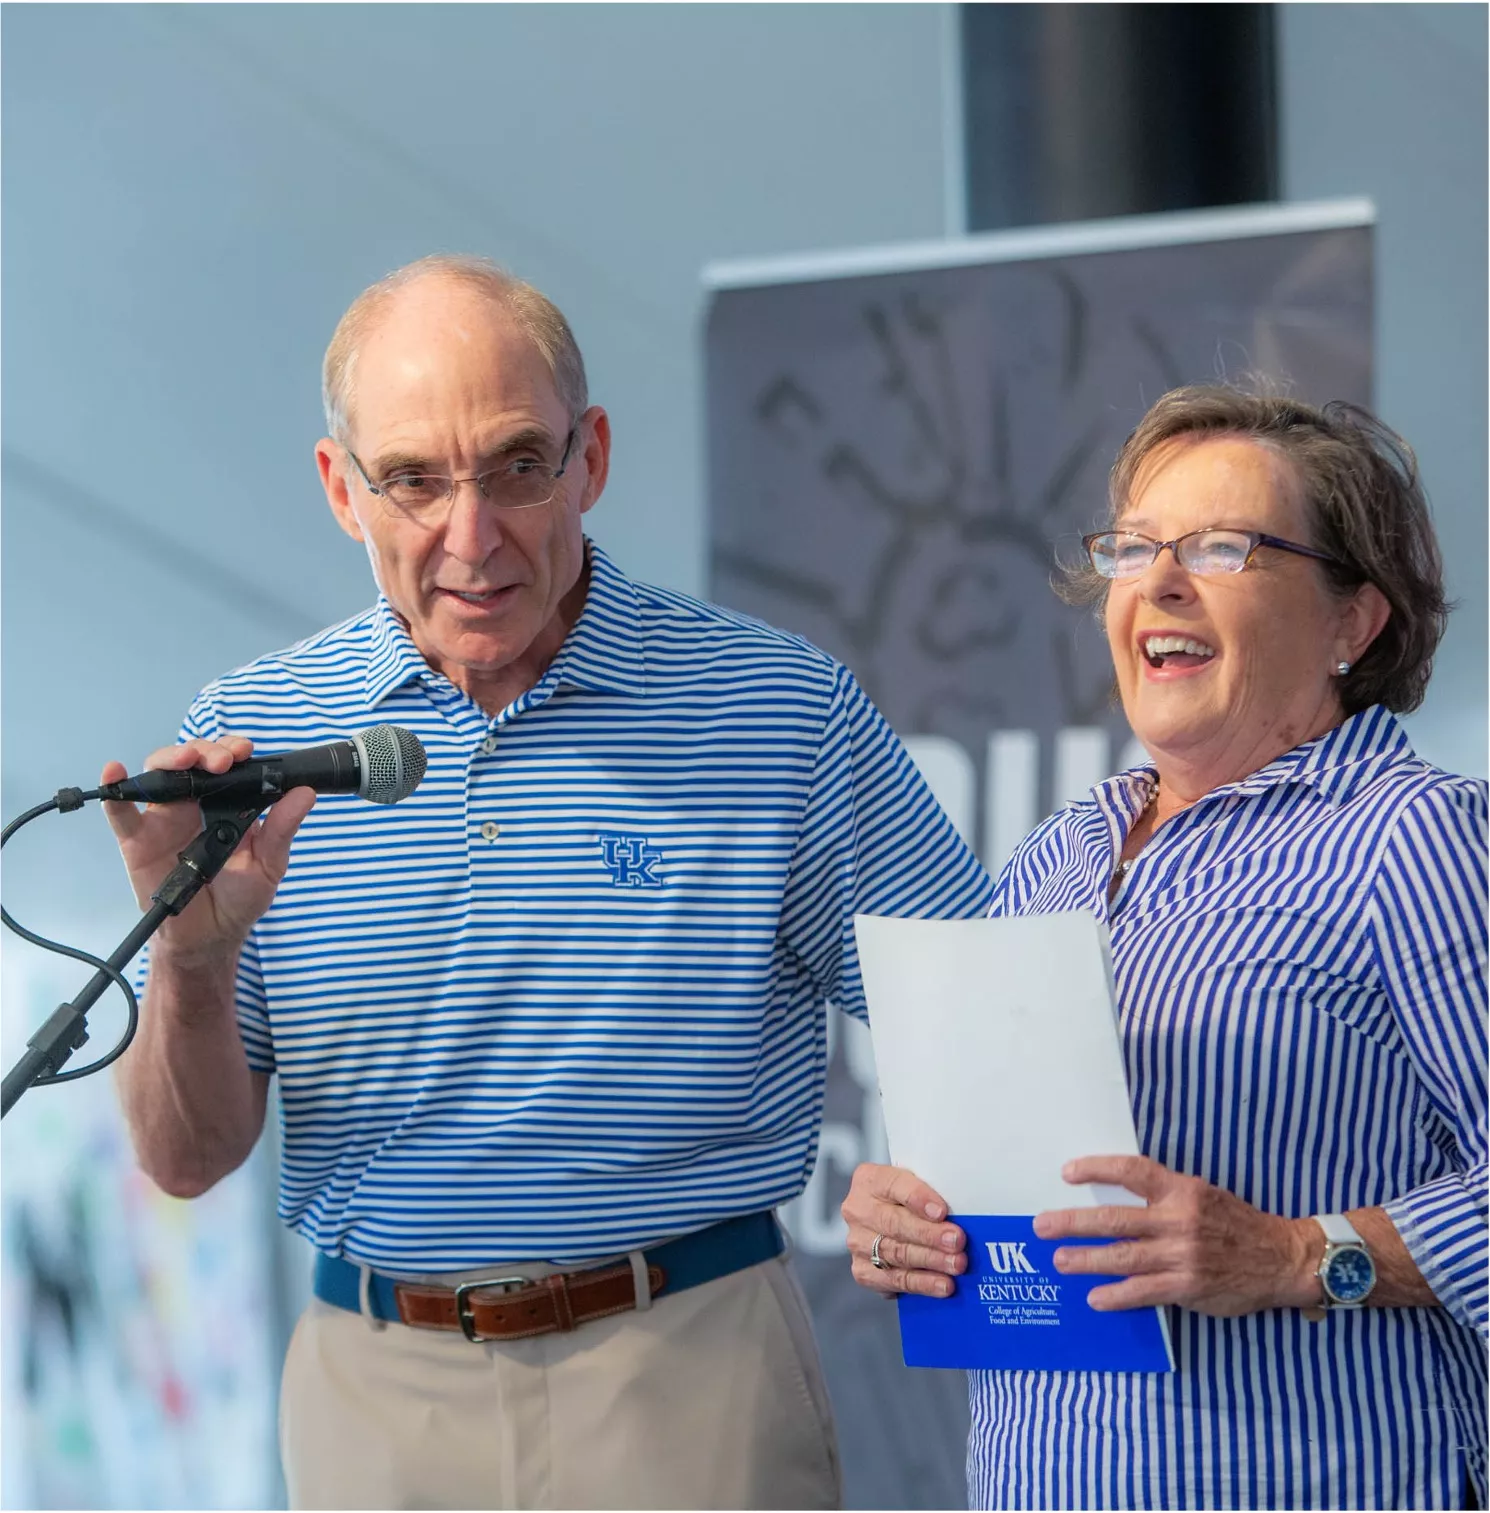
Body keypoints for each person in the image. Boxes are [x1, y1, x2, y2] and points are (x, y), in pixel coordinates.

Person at [104, 254, 995, 1510]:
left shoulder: (773, 708)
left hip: (688, 1373)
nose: (471, 538)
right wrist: (189, 959)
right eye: (412, 480)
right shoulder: (252, 734)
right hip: (376, 1399)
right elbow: (187, 1159)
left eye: (517, 465)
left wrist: (932, 1183)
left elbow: (976, 1013)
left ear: (592, 458)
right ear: (338, 490)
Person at [842, 386, 1487, 1511]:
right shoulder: (1053, 855)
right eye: (1132, 547)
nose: (1158, 581)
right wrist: (909, 1217)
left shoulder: (1413, 837)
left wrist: (1295, 1254)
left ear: (1353, 620)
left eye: (1222, 547)